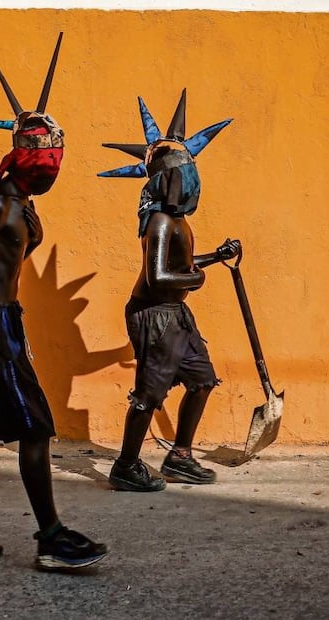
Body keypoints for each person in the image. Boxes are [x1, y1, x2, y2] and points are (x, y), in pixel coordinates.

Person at [0, 34, 108, 570]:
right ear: (24, 154)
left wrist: (33, 226)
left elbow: (14, 256)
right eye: (46, 157)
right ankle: (51, 537)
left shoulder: (19, 203)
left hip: (4, 320)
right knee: (34, 426)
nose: (53, 166)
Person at [98, 89, 240, 492]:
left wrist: (217, 256)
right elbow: (160, 277)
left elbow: (182, 267)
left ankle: (180, 456)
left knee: (201, 380)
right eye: (181, 174)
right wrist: (197, 280)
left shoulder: (179, 222)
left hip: (175, 315)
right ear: (169, 180)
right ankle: (125, 465)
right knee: (148, 394)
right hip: (155, 315)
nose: (188, 180)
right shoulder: (160, 222)